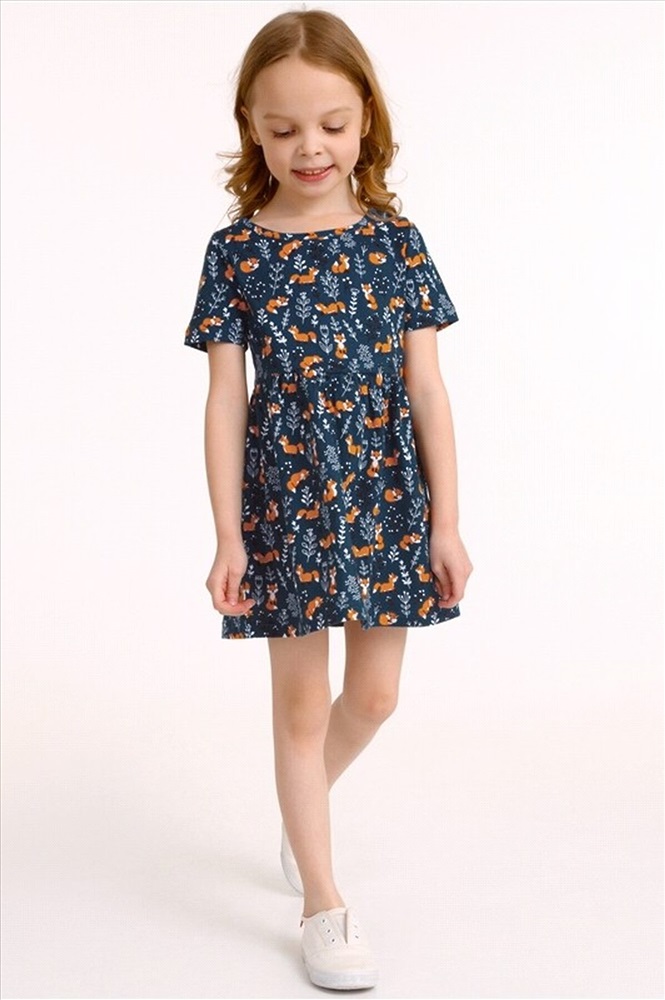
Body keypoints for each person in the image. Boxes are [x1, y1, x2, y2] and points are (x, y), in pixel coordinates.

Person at [183, 8, 473, 991]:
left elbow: (426, 388)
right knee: (301, 705)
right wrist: (227, 534)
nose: (310, 146)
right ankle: (322, 898)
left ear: (366, 123)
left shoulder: (397, 244)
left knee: (376, 696)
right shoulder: (237, 252)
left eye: (332, 124)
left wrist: (445, 521)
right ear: (252, 130)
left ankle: (296, 814)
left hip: (387, 497)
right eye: (283, 128)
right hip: (287, 501)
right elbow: (225, 399)